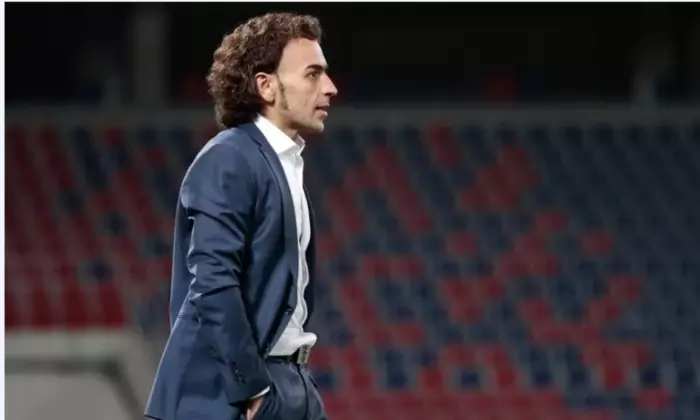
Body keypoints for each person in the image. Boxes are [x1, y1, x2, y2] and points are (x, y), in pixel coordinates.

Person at [145, 12, 338, 420]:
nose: (329, 87)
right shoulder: (230, 157)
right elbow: (213, 281)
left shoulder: (281, 163)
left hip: (292, 381)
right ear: (266, 86)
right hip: (230, 395)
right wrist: (253, 388)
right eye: (313, 74)